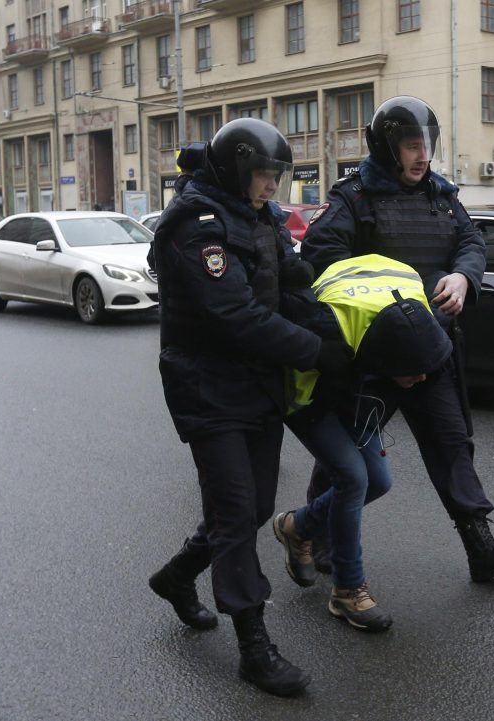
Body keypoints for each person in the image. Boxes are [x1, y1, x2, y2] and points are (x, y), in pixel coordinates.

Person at [146, 118, 357, 697]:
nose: (271, 186)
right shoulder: (196, 226)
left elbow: (289, 283)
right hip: (208, 387)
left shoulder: (255, 215)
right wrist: (319, 352)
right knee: (237, 513)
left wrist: (336, 312)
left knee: (256, 505)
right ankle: (253, 645)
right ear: (239, 168)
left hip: (259, 386)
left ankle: (177, 575)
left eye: (275, 177)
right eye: (264, 174)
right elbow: (234, 315)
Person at [301, 95, 494, 583]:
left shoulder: (440, 194)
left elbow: (472, 241)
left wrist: (463, 277)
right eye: (412, 146)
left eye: (427, 145)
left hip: (432, 346)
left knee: (453, 444)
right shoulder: (355, 198)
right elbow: (320, 257)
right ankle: (318, 534)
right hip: (376, 357)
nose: (422, 156)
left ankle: (482, 549)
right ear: (388, 148)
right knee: (351, 447)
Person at [272, 254, 453, 632]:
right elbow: (300, 391)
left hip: (358, 382)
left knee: (379, 481)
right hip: (311, 396)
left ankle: (297, 526)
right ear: (384, 360)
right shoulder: (329, 332)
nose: (420, 377)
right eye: (411, 370)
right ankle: (348, 590)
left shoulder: (418, 320)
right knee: (353, 479)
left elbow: (418, 364)